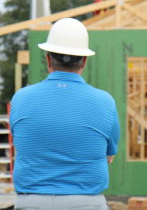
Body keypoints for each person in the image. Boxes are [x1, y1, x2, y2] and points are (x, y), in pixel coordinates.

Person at [10, 18, 120, 210]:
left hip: (30, 202)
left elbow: (22, 143)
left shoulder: (20, 99)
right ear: (84, 61)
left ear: (48, 59)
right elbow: (109, 156)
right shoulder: (105, 102)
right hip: (87, 203)